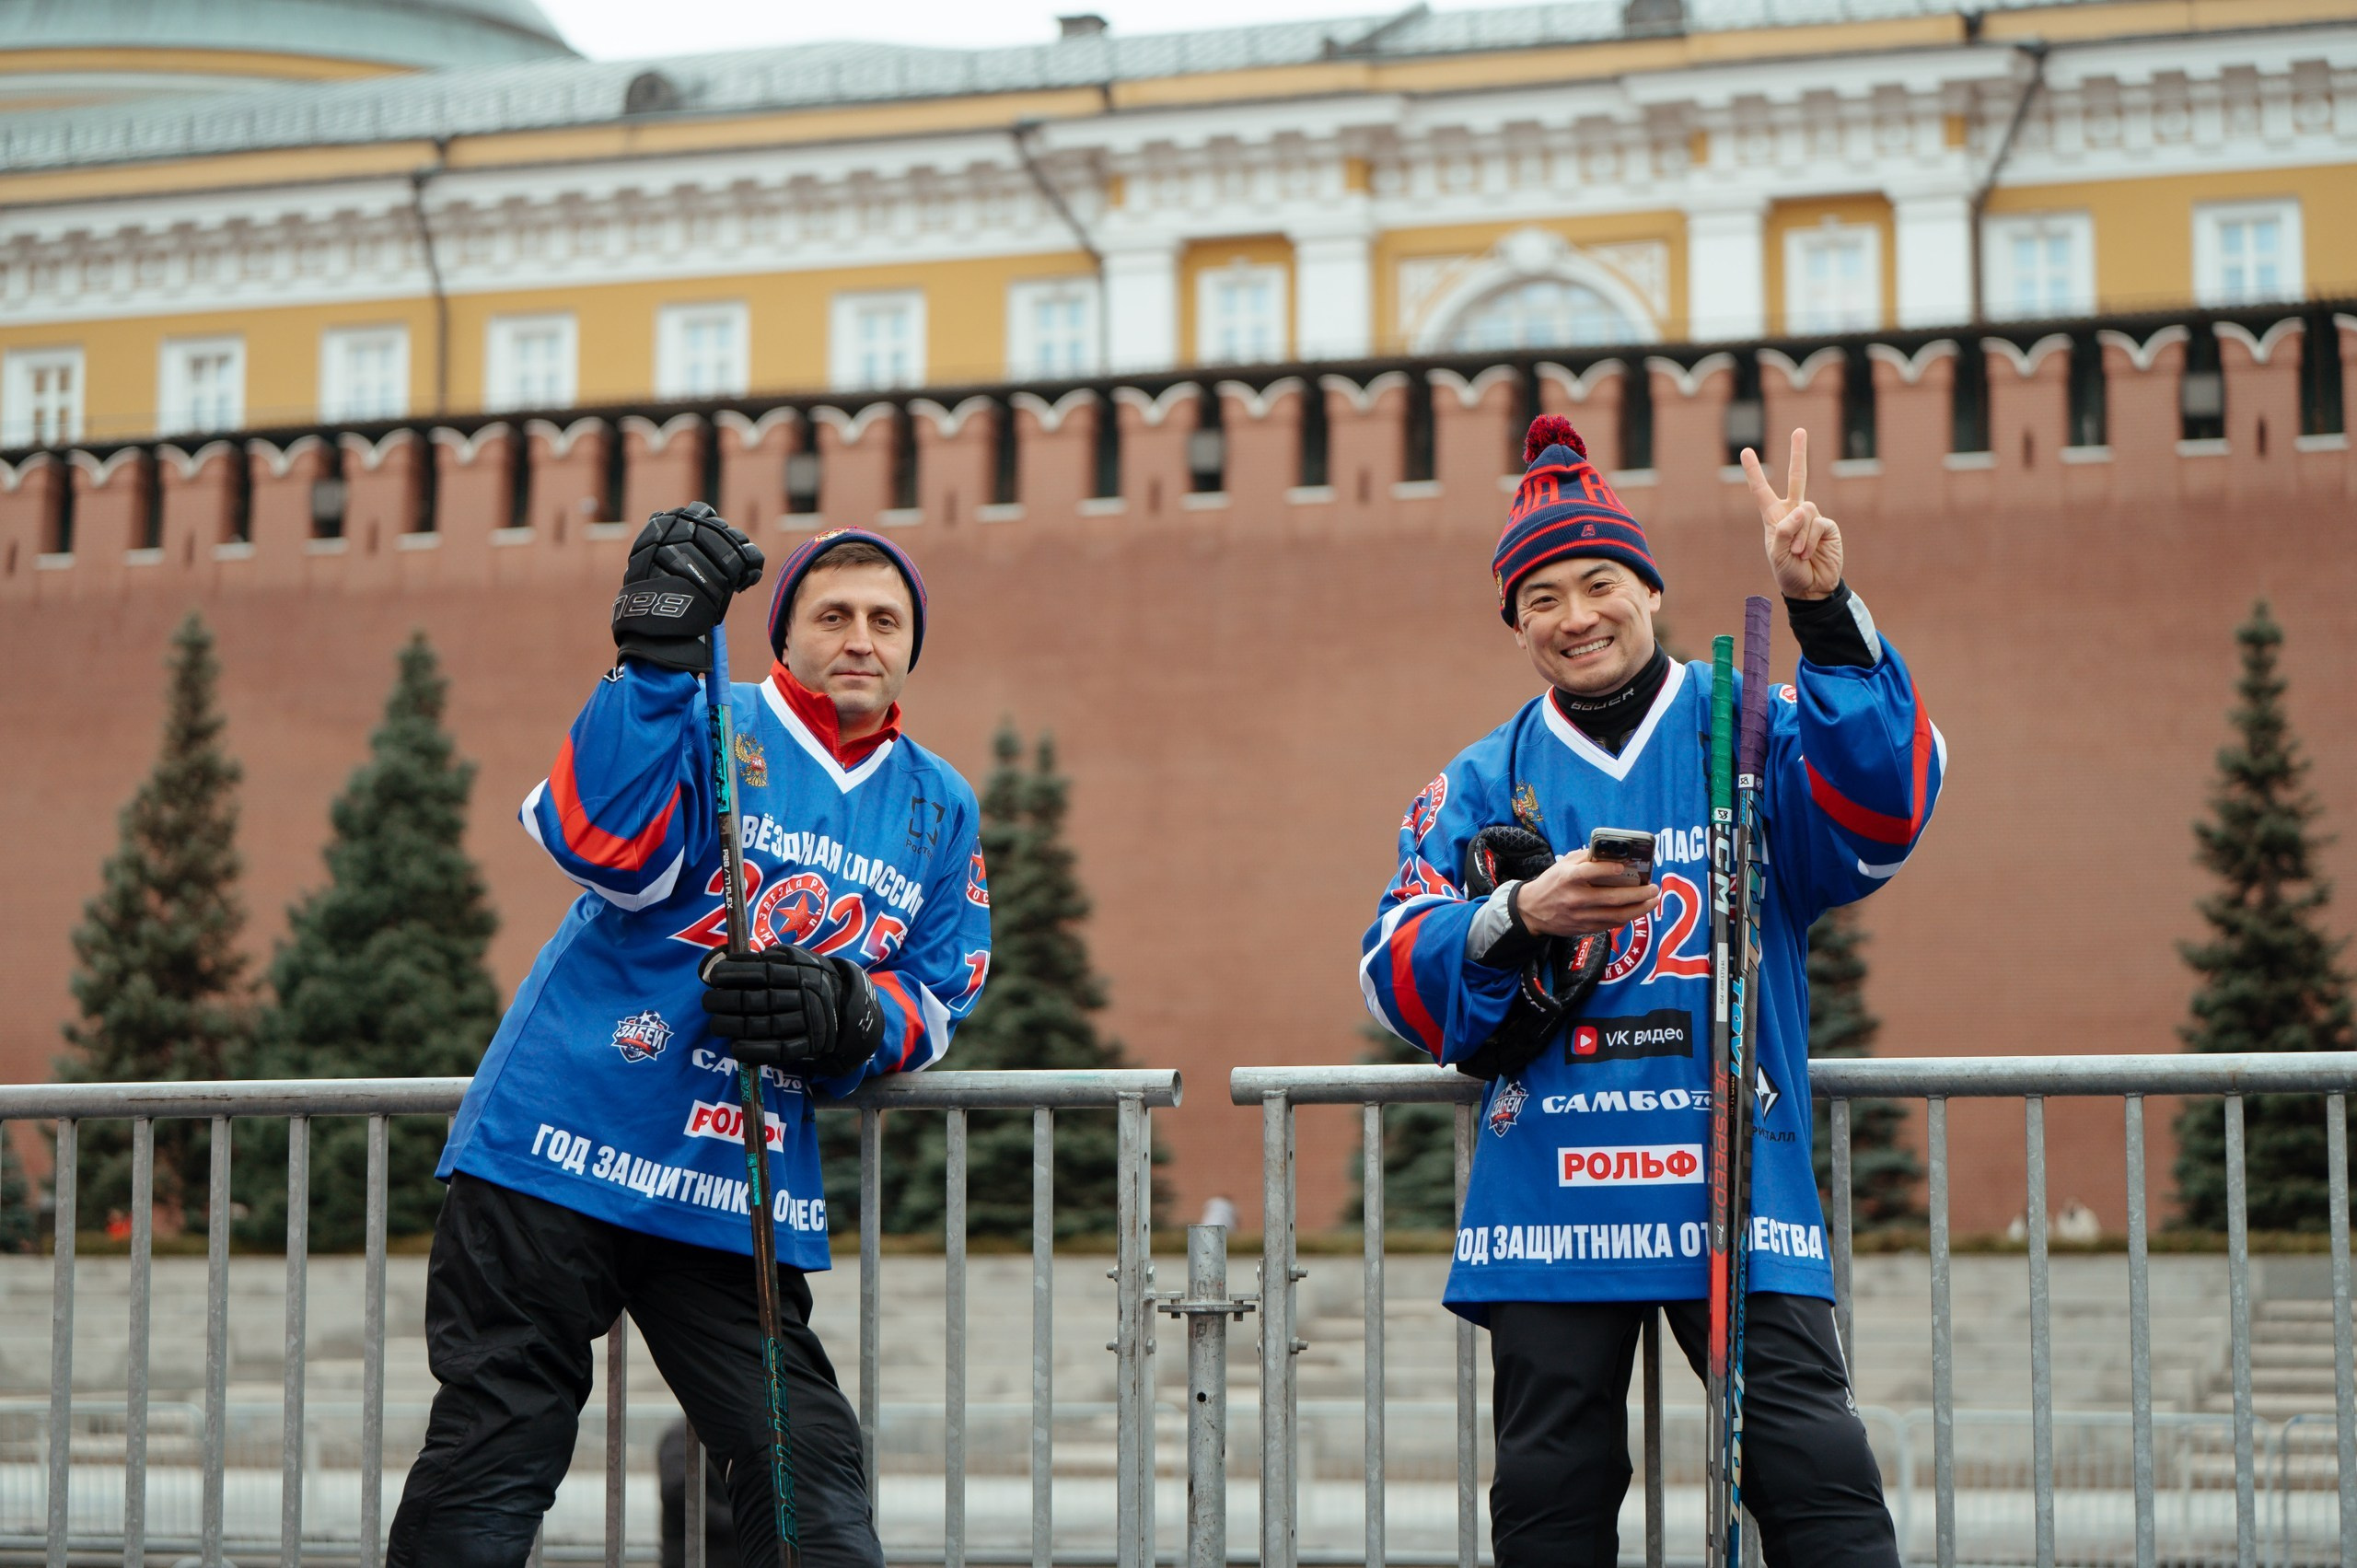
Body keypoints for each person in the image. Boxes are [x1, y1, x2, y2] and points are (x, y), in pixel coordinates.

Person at [1358, 417, 1943, 1568]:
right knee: (1547, 1498)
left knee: (1817, 1477)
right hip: (1552, 1193)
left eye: (1599, 581)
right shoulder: (1483, 776)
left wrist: (1823, 610)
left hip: (1732, 1170)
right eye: (1540, 598)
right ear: (1516, 624)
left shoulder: (1754, 728)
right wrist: (1513, 916)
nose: (1574, 615)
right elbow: (1390, 965)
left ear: (1650, 591)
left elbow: (1887, 803)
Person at [388, 512, 993, 1568]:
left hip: (732, 1186)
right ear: (783, 634)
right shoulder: (715, 717)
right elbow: (596, 844)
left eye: (885, 619)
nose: (861, 636)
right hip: (559, 1142)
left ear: (911, 647)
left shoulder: (939, 805)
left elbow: (937, 993)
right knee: (498, 1447)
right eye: (834, 613)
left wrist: (849, 1015)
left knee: (805, 1462)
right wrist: (654, 663)